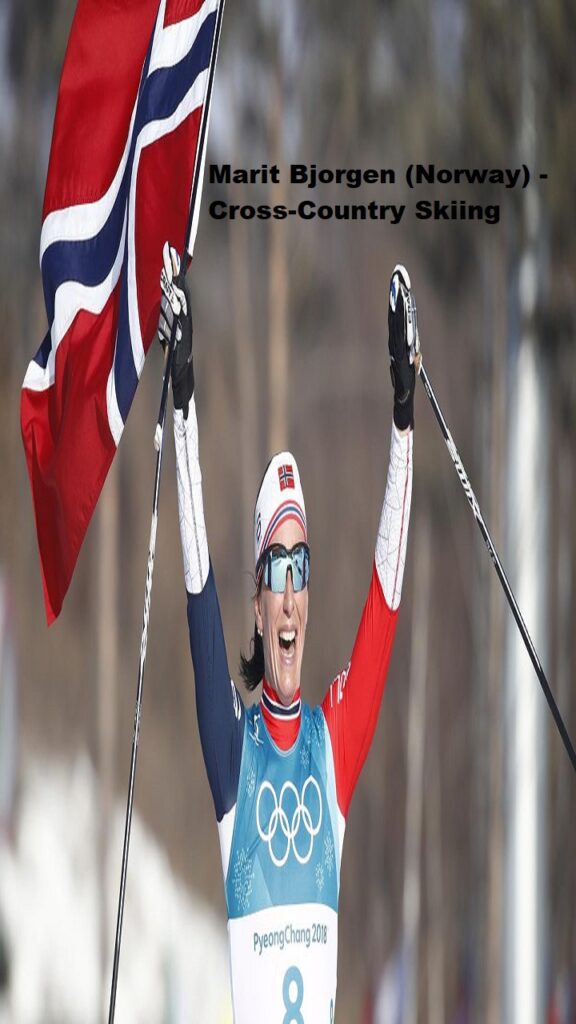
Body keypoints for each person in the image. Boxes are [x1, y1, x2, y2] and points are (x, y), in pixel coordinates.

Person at [159, 244, 418, 1023]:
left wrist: (404, 426)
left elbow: (386, 599)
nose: (291, 597)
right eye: (274, 571)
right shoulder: (234, 756)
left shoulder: (330, 745)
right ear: (260, 607)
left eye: (300, 570)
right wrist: (183, 408)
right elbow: (199, 591)